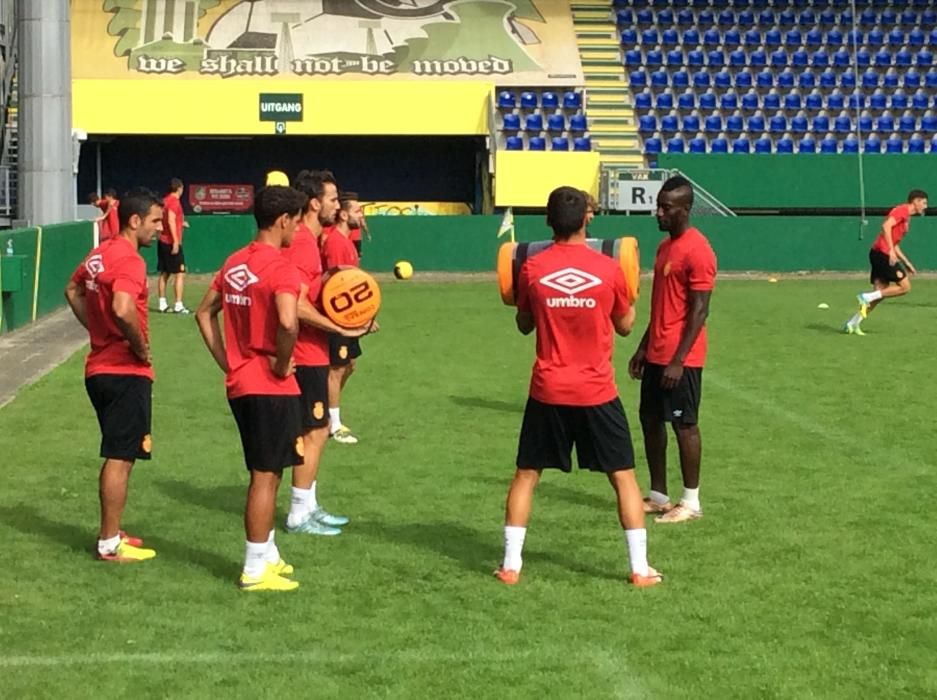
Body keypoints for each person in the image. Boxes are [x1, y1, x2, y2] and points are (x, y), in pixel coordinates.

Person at [495, 186, 662, 588]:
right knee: (623, 477)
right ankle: (640, 570)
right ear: (588, 219)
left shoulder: (532, 270)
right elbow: (624, 327)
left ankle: (510, 567)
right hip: (596, 391)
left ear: (548, 222)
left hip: (548, 389)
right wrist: (630, 294)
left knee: (526, 475)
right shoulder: (609, 270)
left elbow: (523, 325)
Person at [194, 185, 308, 592]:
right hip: (270, 386)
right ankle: (253, 569)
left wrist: (227, 361)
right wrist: (280, 362)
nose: (298, 228)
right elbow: (289, 322)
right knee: (264, 475)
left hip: (242, 382)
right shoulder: (281, 268)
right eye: (296, 220)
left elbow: (203, 313)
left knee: (270, 472)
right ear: (283, 220)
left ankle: (269, 554)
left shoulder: (235, 261)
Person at [64, 188, 163, 563]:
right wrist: (138, 346)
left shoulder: (100, 253)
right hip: (124, 370)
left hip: (99, 367)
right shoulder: (129, 259)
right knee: (120, 456)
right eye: (155, 222)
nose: (159, 230)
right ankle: (108, 543)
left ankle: (113, 530)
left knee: (120, 453)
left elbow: (71, 288)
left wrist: (94, 329)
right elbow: (123, 308)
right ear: (135, 221)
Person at [282, 171, 370, 536]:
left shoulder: (310, 240)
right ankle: (299, 514)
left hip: (312, 349)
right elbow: (296, 303)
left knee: (316, 432)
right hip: (306, 352)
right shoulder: (303, 243)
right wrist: (341, 328)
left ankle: (310, 505)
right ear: (315, 203)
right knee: (314, 432)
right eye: (334, 199)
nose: (339, 206)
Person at [628, 176, 717, 524]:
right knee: (650, 420)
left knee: (685, 426)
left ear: (685, 209)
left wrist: (678, 360)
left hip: (682, 359)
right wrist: (643, 347)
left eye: (666, 208)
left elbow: (699, 310)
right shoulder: (665, 247)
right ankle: (660, 495)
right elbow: (663, 306)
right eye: (658, 206)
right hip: (657, 354)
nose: (658, 213)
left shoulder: (699, 250)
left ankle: (691, 502)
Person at [320, 192, 371, 444]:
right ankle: (333, 424)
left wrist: (365, 314)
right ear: (343, 213)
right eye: (358, 211)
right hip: (338, 318)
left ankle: (328, 413)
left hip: (349, 317)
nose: (361, 216)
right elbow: (336, 285)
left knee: (349, 365)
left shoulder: (347, 242)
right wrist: (350, 318)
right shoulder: (334, 243)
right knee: (337, 369)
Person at [845, 189, 928, 335]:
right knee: (905, 287)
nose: (926, 206)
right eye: (924, 202)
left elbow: (895, 243)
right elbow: (886, 226)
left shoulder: (907, 218)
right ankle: (866, 297)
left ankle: (852, 323)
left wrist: (906, 262)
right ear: (916, 201)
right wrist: (890, 251)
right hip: (881, 254)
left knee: (880, 294)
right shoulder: (902, 210)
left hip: (881, 253)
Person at [157, 178, 190, 314]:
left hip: (162, 241)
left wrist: (181, 223)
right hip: (171, 242)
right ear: (179, 188)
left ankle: (162, 303)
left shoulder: (164, 201)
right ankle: (178, 304)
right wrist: (175, 241)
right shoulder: (174, 202)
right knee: (180, 273)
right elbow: (170, 220)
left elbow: (164, 219)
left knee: (165, 273)